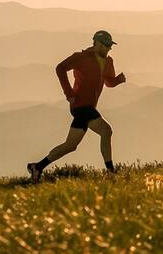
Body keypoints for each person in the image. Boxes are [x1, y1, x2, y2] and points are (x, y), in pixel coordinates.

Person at [26, 30, 127, 182]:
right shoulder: (81, 58)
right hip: (80, 105)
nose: (108, 48)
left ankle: (37, 166)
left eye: (110, 46)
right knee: (106, 131)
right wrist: (69, 94)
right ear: (96, 43)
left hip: (88, 107)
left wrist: (118, 80)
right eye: (106, 45)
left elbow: (108, 82)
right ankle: (111, 172)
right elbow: (60, 68)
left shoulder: (108, 61)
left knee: (70, 145)